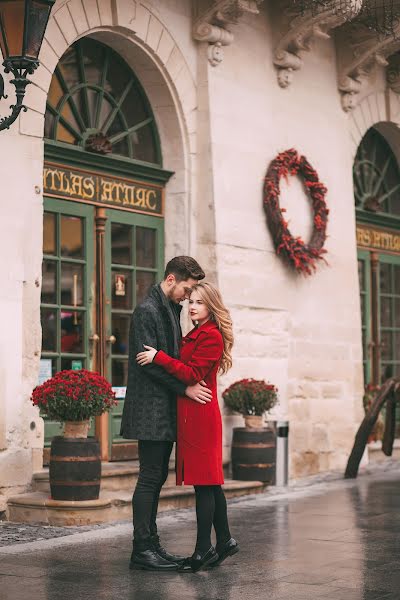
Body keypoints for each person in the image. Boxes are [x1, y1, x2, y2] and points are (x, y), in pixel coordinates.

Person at [136, 282, 239, 573]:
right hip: (190, 414)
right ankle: (225, 540)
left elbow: (193, 373)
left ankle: (202, 549)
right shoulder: (195, 332)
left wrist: (159, 357)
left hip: (200, 418)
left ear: (211, 307)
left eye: (199, 303)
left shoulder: (211, 336)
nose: (192, 306)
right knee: (209, 482)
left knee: (204, 484)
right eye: (190, 301)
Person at [121, 256, 213, 572]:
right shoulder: (147, 310)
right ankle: (142, 549)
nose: (188, 297)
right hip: (149, 409)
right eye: (186, 289)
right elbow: (146, 366)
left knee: (157, 477)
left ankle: (152, 545)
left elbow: (169, 359)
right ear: (171, 279)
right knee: (149, 478)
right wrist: (185, 389)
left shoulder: (170, 309)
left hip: (164, 409)